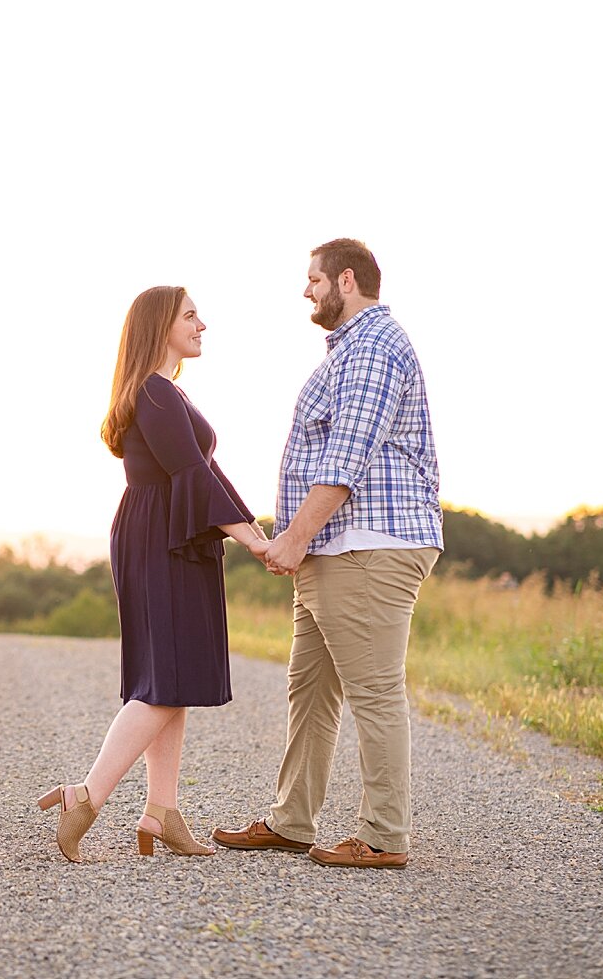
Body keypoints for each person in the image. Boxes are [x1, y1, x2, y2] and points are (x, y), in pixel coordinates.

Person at [213, 238, 442, 870]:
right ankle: (292, 820)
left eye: (313, 280)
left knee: (373, 690)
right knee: (310, 690)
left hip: (367, 545)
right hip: (336, 549)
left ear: (346, 279)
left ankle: (384, 836)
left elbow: (348, 456)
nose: (307, 291)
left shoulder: (372, 346)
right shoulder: (348, 350)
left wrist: (293, 537)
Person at [38, 285, 272, 862]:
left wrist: (253, 531)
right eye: (191, 315)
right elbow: (194, 474)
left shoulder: (158, 391)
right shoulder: (155, 392)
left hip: (165, 535)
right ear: (160, 325)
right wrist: (257, 542)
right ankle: (86, 797)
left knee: (174, 677)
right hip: (161, 539)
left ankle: (162, 811)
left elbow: (206, 473)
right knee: (163, 680)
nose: (202, 325)